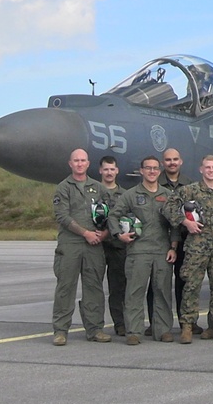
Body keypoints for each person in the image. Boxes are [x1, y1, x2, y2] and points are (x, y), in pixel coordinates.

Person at [163, 155, 213, 343]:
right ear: (201, 169)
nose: (211, 170)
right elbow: (168, 207)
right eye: (207, 167)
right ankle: (187, 326)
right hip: (196, 246)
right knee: (191, 286)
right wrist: (185, 222)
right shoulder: (190, 190)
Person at [107, 156, 177, 344]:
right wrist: (118, 235)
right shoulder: (130, 195)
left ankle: (162, 330)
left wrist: (173, 247)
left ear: (159, 171)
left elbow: (175, 224)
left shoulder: (167, 195)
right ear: (141, 171)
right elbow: (113, 216)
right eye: (148, 168)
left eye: (155, 168)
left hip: (162, 250)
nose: (152, 171)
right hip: (138, 251)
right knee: (135, 292)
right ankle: (134, 331)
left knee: (162, 292)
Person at [50, 148, 111, 346]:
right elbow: (62, 216)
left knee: (94, 288)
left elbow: (110, 214)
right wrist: (85, 233)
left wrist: (104, 233)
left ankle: (95, 329)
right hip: (71, 245)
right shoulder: (63, 188)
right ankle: (60, 330)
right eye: (76, 160)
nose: (79, 164)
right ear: (70, 164)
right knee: (65, 287)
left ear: (88, 163)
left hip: (94, 245)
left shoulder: (98, 188)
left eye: (83, 160)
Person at [150, 147, 193, 335]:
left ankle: (186, 322)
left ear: (181, 161)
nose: (172, 163)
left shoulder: (189, 185)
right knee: (158, 284)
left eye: (175, 159)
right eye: (168, 160)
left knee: (184, 282)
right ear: (162, 163)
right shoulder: (153, 183)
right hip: (160, 240)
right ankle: (155, 323)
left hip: (184, 239)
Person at [98, 156, 127, 337]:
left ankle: (120, 323)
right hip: (96, 246)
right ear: (100, 171)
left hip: (117, 247)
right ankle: (94, 325)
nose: (109, 173)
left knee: (118, 288)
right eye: (106, 169)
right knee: (93, 287)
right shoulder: (93, 192)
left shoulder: (125, 195)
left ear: (117, 171)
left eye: (112, 169)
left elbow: (126, 219)